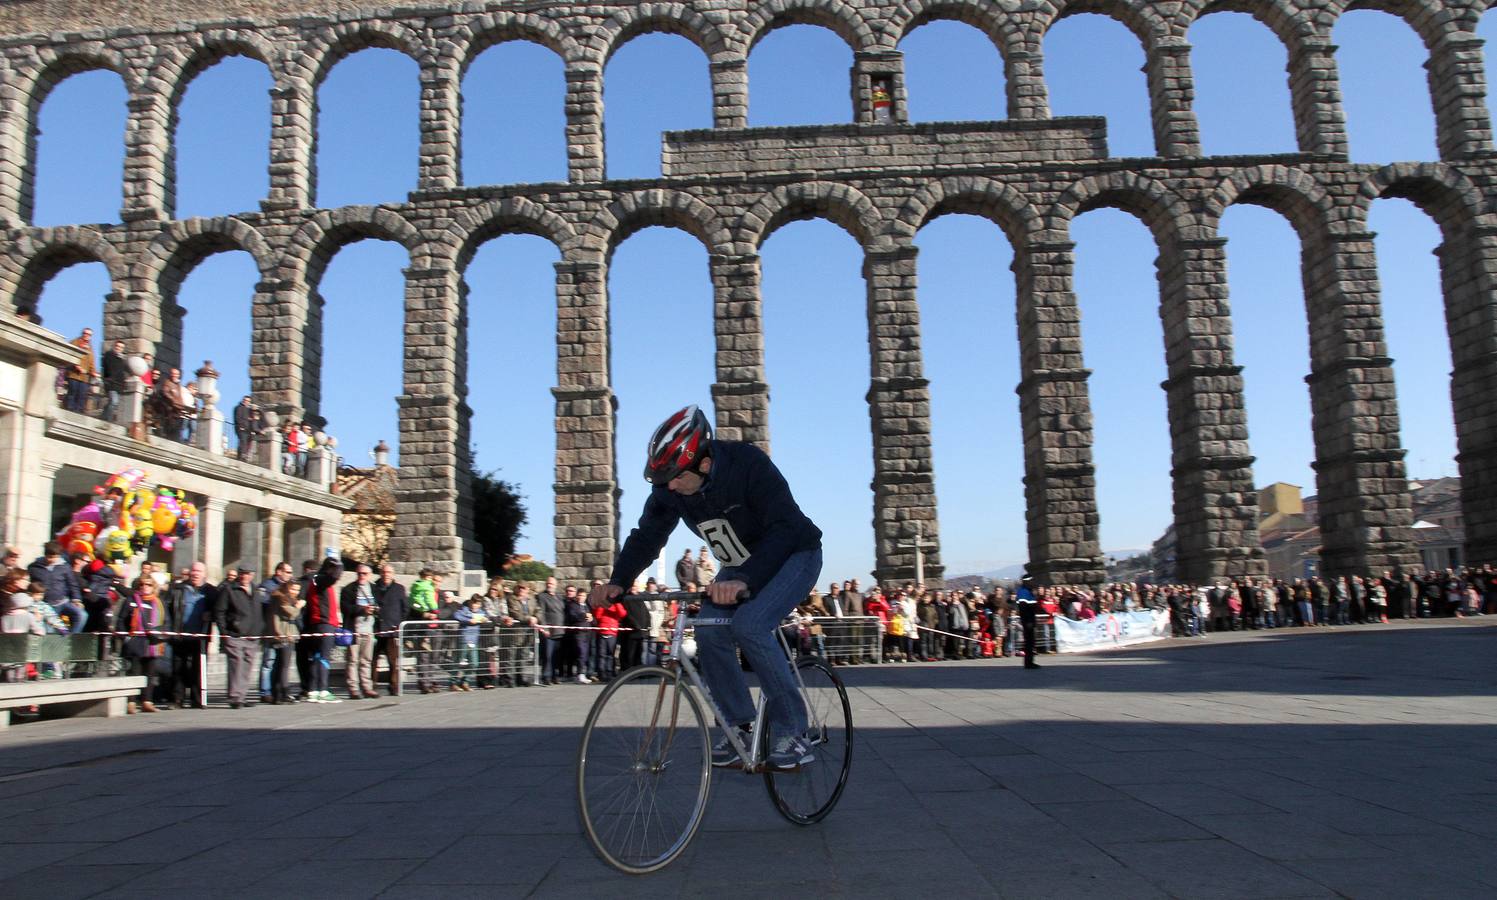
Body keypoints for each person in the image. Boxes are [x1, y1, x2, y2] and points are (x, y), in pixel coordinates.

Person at [588, 405, 823, 770]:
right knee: (710, 632)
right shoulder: (672, 489)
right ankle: (739, 726)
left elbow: (784, 528)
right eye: (661, 480)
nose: (669, 487)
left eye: (675, 478)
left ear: (704, 464)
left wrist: (746, 579)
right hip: (740, 563)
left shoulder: (748, 464)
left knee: (751, 625)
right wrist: (618, 581)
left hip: (794, 552)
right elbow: (647, 536)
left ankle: (794, 731)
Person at [164, 561, 212, 709]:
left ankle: (197, 699)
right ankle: (177, 699)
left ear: (204, 574)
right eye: (193, 571)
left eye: (199, 571)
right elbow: (168, 609)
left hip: (200, 636)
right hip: (180, 633)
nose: (195, 573)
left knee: (198, 668)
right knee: (178, 668)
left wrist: (211, 615)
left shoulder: (210, 591)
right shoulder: (178, 589)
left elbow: (219, 608)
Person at [114, 577, 165, 713]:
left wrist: (160, 633)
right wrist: (125, 637)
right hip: (134, 641)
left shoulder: (159, 603)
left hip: (152, 642)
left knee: (150, 673)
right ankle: (131, 701)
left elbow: (167, 622)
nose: (144, 586)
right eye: (141, 584)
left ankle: (147, 701)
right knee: (134, 671)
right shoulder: (131, 600)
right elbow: (121, 619)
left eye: (148, 584)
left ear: (153, 586)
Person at [214, 566, 261, 709]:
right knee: (236, 664)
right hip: (235, 634)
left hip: (252, 634)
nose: (245, 577)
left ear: (252, 575)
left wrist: (260, 628)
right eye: (242, 574)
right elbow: (219, 611)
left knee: (247, 666)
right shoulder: (229, 589)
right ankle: (235, 697)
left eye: (248, 574)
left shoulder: (255, 589)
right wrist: (224, 632)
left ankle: (242, 695)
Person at [303, 558, 343, 703]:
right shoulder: (320, 579)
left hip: (317, 623)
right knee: (324, 658)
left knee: (317, 657)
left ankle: (313, 690)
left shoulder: (316, 580)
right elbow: (333, 577)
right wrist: (339, 565)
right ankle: (323, 691)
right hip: (324, 623)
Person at [27, 542, 87, 634]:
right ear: (45, 555)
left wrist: (77, 599)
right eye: (50, 557)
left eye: (55, 557)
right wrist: (34, 605)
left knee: (81, 615)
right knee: (50, 630)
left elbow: (72, 584)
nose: (52, 560)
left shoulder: (64, 567)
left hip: (63, 602)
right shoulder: (34, 567)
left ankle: (72, 638)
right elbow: (30, 586)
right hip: (46, 605)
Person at [255, 562, 293, 703]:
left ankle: (278, 690)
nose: (290, 575)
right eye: (287, 572)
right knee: (268, 661)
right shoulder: (267, 586)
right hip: (270, 629)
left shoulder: (288, 587)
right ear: (278, 572)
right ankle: (265, 691)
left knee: (280, 663)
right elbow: (263, 603)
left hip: (283, 630)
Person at [340, 564, 379, 699]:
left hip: (369, 629)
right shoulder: (348, 589)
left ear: (370, 575)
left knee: (366, 660)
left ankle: (367, 687)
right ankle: (353, 689)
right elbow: (345, 608)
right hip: (354, 629)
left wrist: (376, 610)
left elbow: (380, 605)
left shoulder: (374, 588)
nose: (361, 576)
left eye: (364, 574)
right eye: (359, 573)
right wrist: (363, 610)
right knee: (353, 660)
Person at [371, 563, 408, 696]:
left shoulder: (399, 588)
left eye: (388, 572)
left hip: (391, 631)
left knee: (393, 661)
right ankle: (372, 686)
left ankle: (393, 686)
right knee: (372, 660)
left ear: (392, 575)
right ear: (380, 573)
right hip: (375, 629)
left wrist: (398, 624)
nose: (386, 575)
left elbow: (405, 609)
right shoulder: (373, 587)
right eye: (384, 572)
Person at [268, 580, 304, 703]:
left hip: (283, 633)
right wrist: (299, 606)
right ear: (287, 588)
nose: (295, 592)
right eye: (293, 589)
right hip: (284, 634)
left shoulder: (279, 597)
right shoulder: (281, 598)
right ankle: (283, 693)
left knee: (279, 664)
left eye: (297, 590)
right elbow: (291, 613)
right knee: (283, 665)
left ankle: (277, 694)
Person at [535, 580, 564, 686]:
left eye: (551, 583)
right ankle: (546, 677)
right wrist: (544, 627)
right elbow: (540, 612)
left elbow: (562, 611)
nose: (549, 585)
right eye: (548, 583)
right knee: (547, 655)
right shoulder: (542, 596)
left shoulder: (559, 596)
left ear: (556, 585)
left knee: (556, 656)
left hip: (559, 631)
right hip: (548, 632)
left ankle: (554, 676)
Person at [63, 327, 96, 413]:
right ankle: (69, 410)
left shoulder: (90, 347)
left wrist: (93, 371)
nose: (87, 336)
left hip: (84, 376)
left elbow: (91, 360)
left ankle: (78, 411)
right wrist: (76, 366)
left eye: (89, 334)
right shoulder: (75, 342)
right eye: (85, 333)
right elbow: (69, 354)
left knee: (82, 394)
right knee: (73, 392)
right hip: (74, 374)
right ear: (82, 333)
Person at [1014, 574, 1041, 670]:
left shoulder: (1030, 592)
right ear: (1027, 581)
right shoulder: (1023, 592)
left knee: (1031, 642)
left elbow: (1033, 608)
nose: (1033, 583)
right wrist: (1027, 621)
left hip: (1031, 620)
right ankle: (1028, 663)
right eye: (1031, 581)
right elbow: (1023, 608)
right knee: (1028, 642)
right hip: (1027, 621)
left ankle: (1030, 661)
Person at [100, 339, 129, 423]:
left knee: (113, 402)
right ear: (114, 346)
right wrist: (107, 378)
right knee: (114, 401)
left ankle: (104, 415)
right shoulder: (109, 354)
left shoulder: (122, 359)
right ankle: (108, 419)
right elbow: (107, 366)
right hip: (110, 382)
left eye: (121, 347)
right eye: (118, 346)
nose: (119, 348)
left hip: (119, 384)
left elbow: (123, 371)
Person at [233, 396, 261, 461]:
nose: (246, 402)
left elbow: (253, 418)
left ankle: (244, 456)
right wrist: (241, 426)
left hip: (248, 429)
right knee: (243, 441)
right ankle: (242, 456)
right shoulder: (238, 408)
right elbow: (238, 418)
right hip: (242, 428)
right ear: (243, 400)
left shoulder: (249, 409)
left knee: (248, 443)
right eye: (245, 400)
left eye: (248, 401)